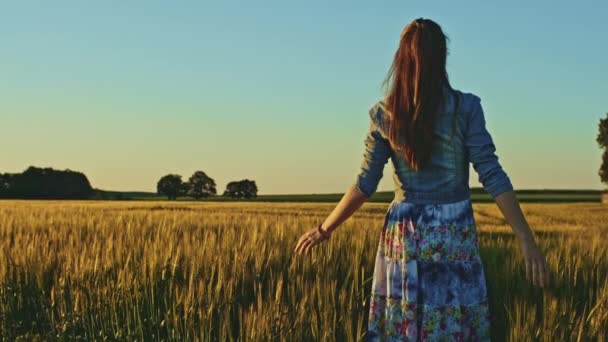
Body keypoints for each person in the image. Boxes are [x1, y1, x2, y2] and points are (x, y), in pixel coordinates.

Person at [293, 17, 549, 341]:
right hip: (452, 233)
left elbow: (364, 184)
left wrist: (324, 229)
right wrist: (525, 237)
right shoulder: (466, 108)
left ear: (401, 58)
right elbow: (492, 174)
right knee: (453, 326)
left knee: (405, 326)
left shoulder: (385, 114)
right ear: (442, 58)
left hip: (404, 235)